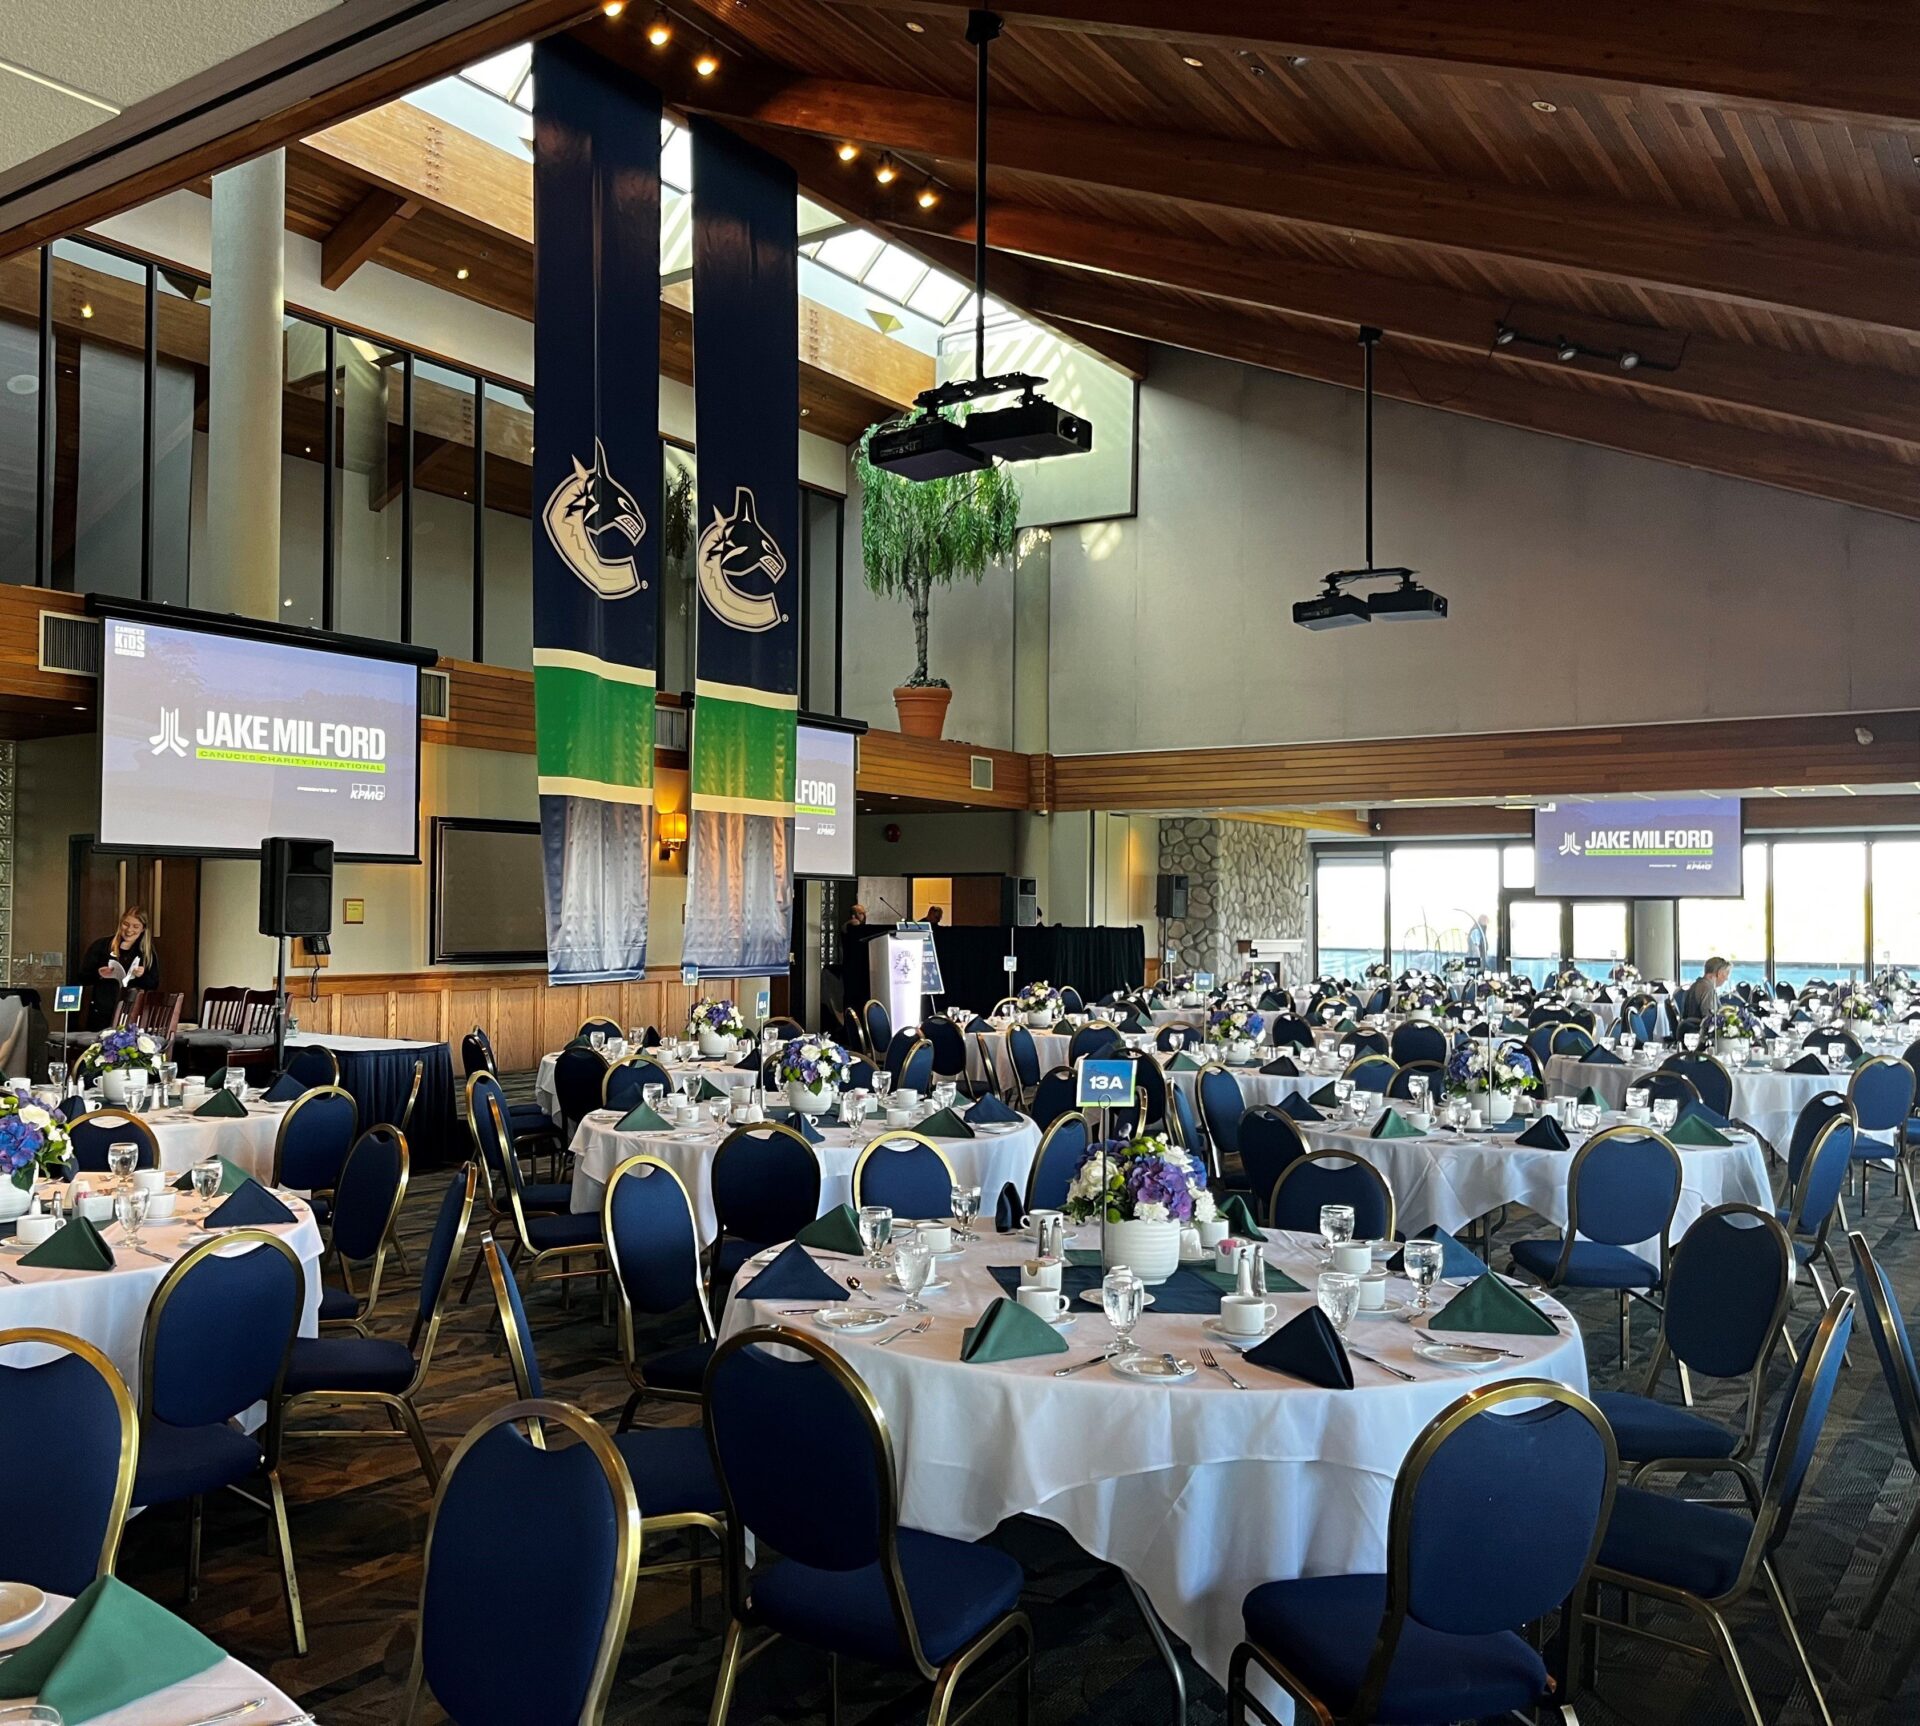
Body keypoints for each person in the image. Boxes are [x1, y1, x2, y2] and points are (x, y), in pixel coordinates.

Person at [78, 905, 158, 1031]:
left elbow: (153, 983)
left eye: (135, 926)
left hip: (132, 1011)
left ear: (143, 929)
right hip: (102, 1010)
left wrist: (141, 975)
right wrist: (99, 973)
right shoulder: (101, 946)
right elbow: (83, 977)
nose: (129, 930)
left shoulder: (146, 952)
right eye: (126, 924)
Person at [1680, 956, 1730, 1028]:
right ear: (1719, 973)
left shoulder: (1697, 984)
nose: (1726, 978)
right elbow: (1709, 1018)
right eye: (1726, 973)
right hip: (1700, 1031)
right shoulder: (1707, 988)